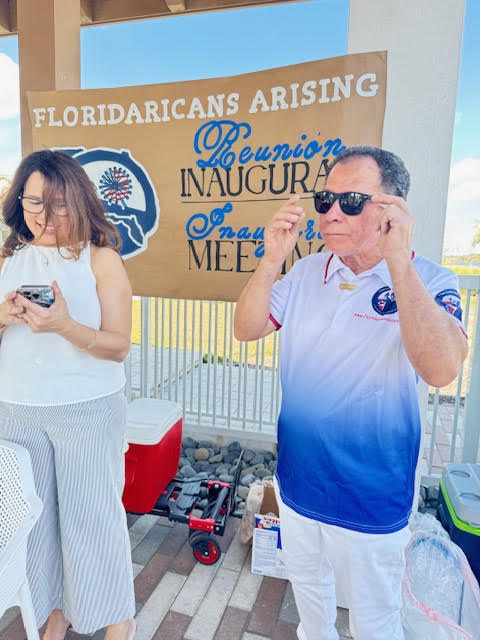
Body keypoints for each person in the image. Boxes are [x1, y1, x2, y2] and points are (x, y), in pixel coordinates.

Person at [234, 146, 468, 640]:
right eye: (326, 199)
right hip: (298, 483)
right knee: (311, 606)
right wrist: (272, 259)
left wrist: (397, 262)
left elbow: (442, 369)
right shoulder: (306, 272)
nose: (332, 213)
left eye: (352, 201)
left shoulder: (430, 280)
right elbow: (246, 328)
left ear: (392, 210)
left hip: (372, 494)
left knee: (375, 623)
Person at [0, 150, 136, 640]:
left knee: (92, 522)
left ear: (79, 201)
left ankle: (118, 620)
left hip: (87, 412)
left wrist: (64, 326)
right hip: (16, 412)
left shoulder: (101, 259)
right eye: (34, 201)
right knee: (33, 528)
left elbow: (118, 346)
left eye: (58, 204)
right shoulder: (8, 258)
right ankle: (54, 616)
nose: (44, 215)